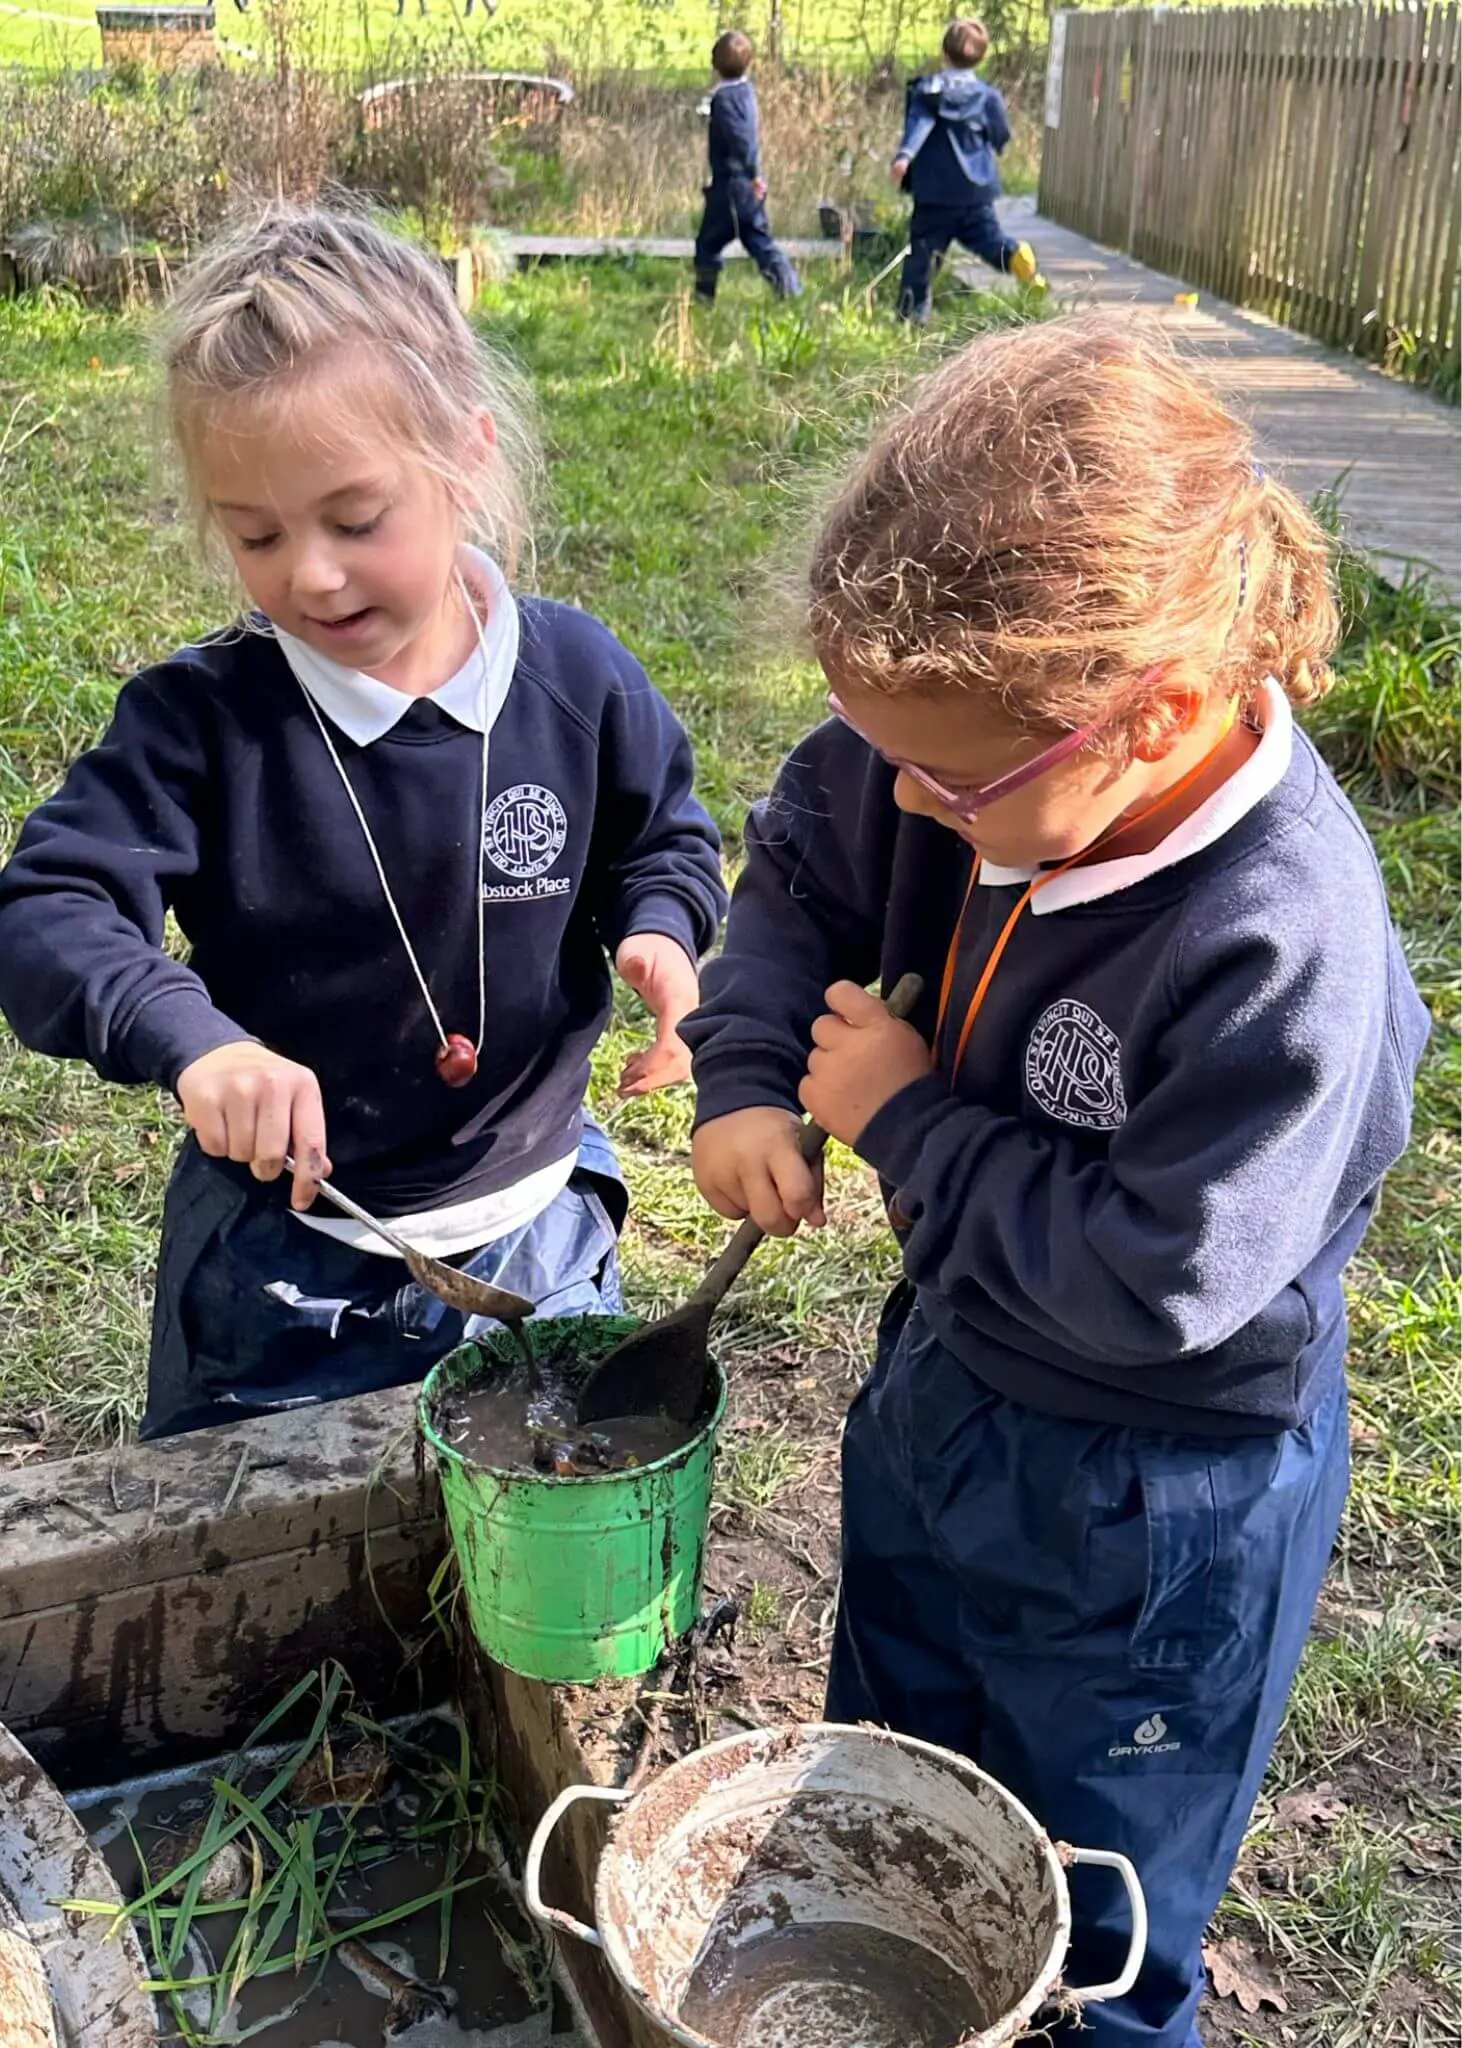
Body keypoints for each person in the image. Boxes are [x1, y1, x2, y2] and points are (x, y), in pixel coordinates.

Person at [684, 313, 1429, 2045]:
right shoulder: (962, 756)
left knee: (1092, 1908)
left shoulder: (1279, 941)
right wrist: (744, 1073)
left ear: (1150, 710)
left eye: (940, 780)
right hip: (952, 1383)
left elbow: (1155, 1278)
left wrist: (904, 1118)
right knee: (894, 1781)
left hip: (1159, 1501)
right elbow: (801, 871)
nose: (903, 802)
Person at [0, 205, 727, 1442]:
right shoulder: (205, 719)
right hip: (287, 1256)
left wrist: (661, 928)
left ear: (465, 460)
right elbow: (47, 909)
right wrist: (194, 1042)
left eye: (354, 519)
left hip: (535, 1232)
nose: (310, 576)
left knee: (525, 1548)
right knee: (262, 1578)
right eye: (257, 534)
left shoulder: (574, 678)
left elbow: (661, 833)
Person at [892, 16, 1043, 320]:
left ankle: (911, 318)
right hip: (975, 192)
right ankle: (1015, 255)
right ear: (981, 58)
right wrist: (996, 145)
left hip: (935, 194)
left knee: (922, 257)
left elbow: (919, 125)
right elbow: (1001, 133)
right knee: (987, 240)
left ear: (943, 53)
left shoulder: (927, 93)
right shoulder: (988, 97)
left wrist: (904, 156)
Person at [694, 29, 801, 304]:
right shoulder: (746, 92)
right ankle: (790, 291)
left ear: (714, 64)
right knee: (758, 241)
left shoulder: (724, 100)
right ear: (749, 63)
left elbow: (741, 139)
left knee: (708, 245)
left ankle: (704, 301)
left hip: (731, 185)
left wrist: (754, 174)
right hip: (742, 185)